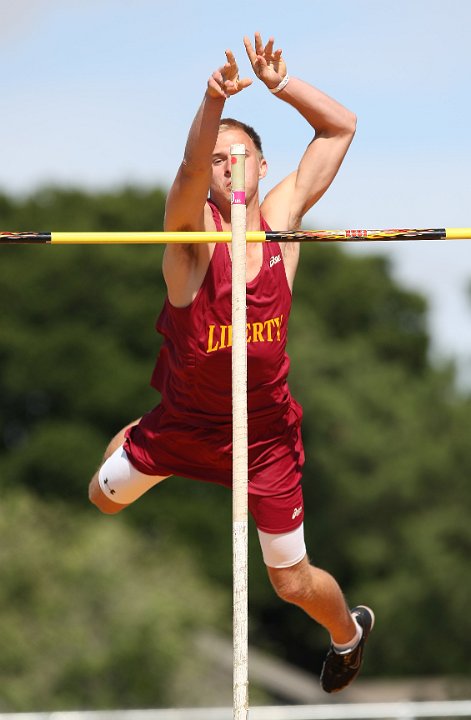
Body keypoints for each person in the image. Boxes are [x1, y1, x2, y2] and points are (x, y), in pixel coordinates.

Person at [88, 32, 374, 693]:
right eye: (216, 158)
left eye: (238, 157)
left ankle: (348, 634)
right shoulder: (188, 244)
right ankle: (140, 432)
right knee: (102, 498)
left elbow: (340, 128)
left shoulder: (282, 223)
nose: (225, 166)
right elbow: (187, 176)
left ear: (262, 168)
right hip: (187, 423)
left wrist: (280, 86)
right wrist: (212, 101)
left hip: (266, 435)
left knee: (291, 582)